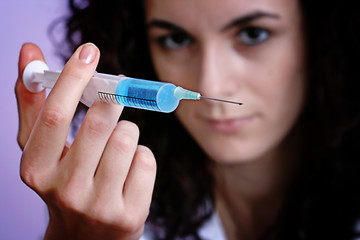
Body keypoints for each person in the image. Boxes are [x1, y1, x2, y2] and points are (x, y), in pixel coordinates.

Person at [15, 0, 360, 239]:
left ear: (319, 36)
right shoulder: (97, 205)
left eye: (253, 33)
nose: (209, 84)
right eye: (175, 39)